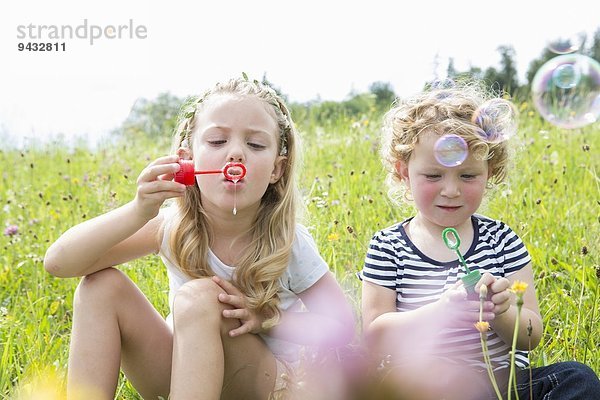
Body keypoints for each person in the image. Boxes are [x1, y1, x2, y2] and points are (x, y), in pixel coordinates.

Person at [44, 77, 355, 400]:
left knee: (202, 297)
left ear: (277, 169)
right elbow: (59, 262)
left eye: (256, 145)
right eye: (218, 141)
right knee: (100, 287)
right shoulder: (172, 226)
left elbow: (340, 327)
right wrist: (139, 210)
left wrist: (269, 320)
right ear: (186, 161)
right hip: (182, 373)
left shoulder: (288, 242)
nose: (235, 153)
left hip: (258, 385)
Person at [360, 82, 600, 400]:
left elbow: (530, 336)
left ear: (490, 172)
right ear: (404, 172)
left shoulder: (501, 240)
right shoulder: (389, 247)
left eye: (468, 175)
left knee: (576, 378)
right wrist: (440, 312)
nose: (451, 190)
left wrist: (502, 311)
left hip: (507, 385)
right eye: (433, 176)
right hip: (428, 384)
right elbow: (375, 334)